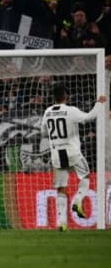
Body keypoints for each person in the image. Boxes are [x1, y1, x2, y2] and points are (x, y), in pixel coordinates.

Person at [39, 84, 107, 231]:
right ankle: (77, 201)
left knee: (61, 188)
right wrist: (99, 103)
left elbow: (43, 131)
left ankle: (61, 223)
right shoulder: (71, 111)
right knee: (85, 177)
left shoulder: (47, 112)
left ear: (53, 97)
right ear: (66, 96)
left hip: (57, 154)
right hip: (72, 152)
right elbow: (89, 117)